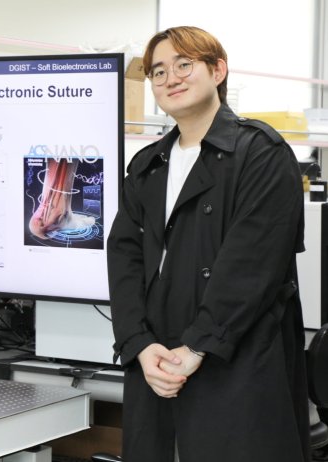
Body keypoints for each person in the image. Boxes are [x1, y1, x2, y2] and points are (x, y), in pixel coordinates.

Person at [107, 26, 309, 462]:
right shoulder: (148, 164)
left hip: (236, 350)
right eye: (158, 72)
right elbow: (122, 254)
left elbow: (252, 265)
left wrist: (197, 346)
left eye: (184, 65)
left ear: (217, 71)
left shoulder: (261, 153)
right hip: (157, 353)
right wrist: (137, 344)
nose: (170, 79)